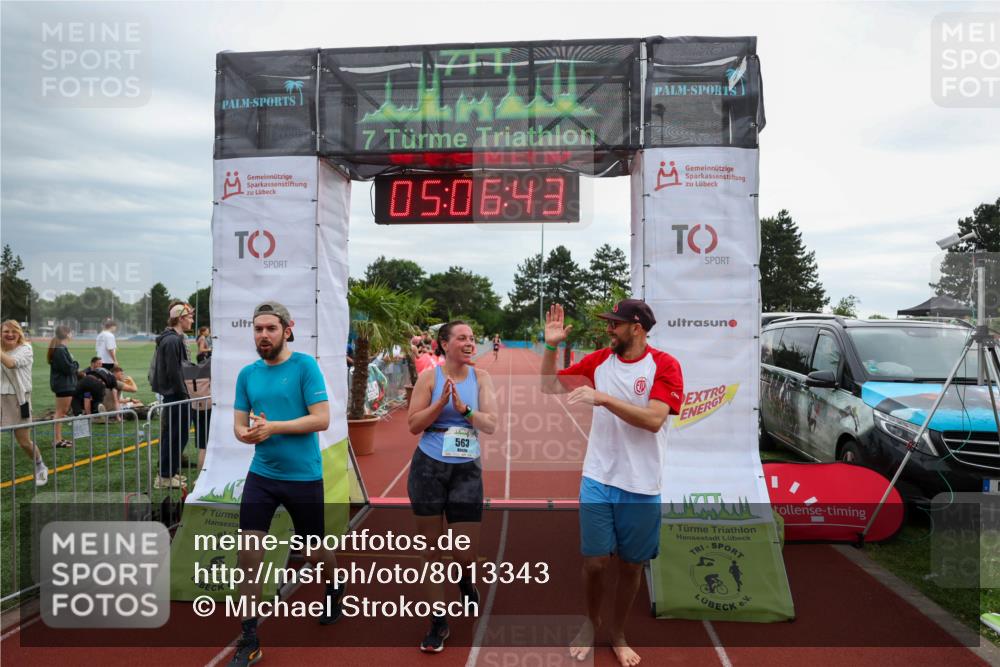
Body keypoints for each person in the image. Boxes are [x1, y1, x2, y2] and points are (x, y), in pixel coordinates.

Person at [540, 300, 683, 667]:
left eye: (615, 324)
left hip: (642, 484)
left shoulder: (665, 365)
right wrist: (551, 346)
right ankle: (590, 623)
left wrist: (603, 398)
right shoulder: (600, 360)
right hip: (598, 476)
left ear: (637, 328)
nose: (609, 330)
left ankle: (618, 633)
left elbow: (653, 420)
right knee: (596, 563)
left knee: (632, 566)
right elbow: (548, 385)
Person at [229, 301, 341, 667]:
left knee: (314, 552)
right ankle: (249, 635)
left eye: (270, 329)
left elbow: (321, 419)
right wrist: (246, 434)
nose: (263, 335)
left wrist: (274, 426)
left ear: (287, 329)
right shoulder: (247, 374)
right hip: (262, 476)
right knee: (249, 555)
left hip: (303, 477)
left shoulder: (305, 367)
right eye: (258, 329)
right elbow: (239, 423)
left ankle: (334, 584)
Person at [406, 320, 498, 653]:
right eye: (462, 338)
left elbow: (491, 424)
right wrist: (438, 404)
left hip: (466, 473)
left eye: (472, 338)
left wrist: (465, 410)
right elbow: (413, 425)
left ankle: (464, 579)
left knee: (464, 551)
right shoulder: (429, 378)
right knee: (430, 550)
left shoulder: (482, 378)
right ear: (445, 344)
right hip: (428, 469)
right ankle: (438, 621)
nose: (470, 342)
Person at [151, 301, 194, 489]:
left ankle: (170, 472)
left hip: (177, 394)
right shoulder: (172, 340)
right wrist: (184, 393)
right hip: (176, 395)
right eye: (190, 316)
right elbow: (174, 371)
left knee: (178, 434)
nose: (192, 320)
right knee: (174, 434)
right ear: (181, 318)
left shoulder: (173, 339)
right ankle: (165, 476)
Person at [1, 320, 48, 486]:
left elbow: (11, 363)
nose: (10, 334)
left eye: (14, 331)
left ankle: (39, 465)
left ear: (19, 333)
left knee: (23, 441)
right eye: (6, 331)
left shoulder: (26, 349)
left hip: (18, 399)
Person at [47, 325, 79, 448]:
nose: (72, 335)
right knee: (60, 412)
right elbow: (68, 368)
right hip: (63, 385)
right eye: (71, 333)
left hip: (65, 384)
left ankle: (59, 439)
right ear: (66, 334)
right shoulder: (60, 349)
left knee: (62, 412)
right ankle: (57, 440)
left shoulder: (61, 348)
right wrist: (76, 364)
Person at [96, 319, 119, 411]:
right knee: (109, 384)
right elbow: (110, 349)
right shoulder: (110, 335)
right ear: (112, 326)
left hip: (100, 360)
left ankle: (100, 402)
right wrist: (115, 360)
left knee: (100, 382)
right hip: (107, 362)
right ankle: (108, 404)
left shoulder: (100, 335)